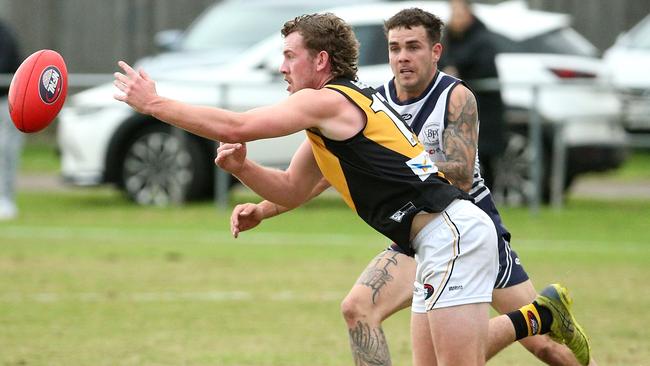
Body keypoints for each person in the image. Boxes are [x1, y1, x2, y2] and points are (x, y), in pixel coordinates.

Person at [114, 12, 589, 365]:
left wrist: (153, 102)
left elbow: (239, 122)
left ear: (320, 61)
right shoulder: (340, 111)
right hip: (428, 240)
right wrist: (243, 170)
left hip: (456, 231)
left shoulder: (329, 101)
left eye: (288, 56)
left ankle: (539, 312)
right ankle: (540, 312)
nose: (282, 67)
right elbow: (291, 190)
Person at [440, 0, 506, 191]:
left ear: (469, 12)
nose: (454, 16)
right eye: (452, 11)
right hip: (458, 109)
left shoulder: (483, 39)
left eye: (458, 11)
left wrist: (458, 69)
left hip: (484, 109)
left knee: (485, 158)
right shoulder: (449, 39)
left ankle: (488, 196)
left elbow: (484, 67)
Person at [0, 19, 23, 220]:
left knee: (6, 151)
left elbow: (6, 65)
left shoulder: (4, 34)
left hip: (6, 103)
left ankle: (5, 199)